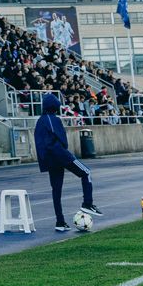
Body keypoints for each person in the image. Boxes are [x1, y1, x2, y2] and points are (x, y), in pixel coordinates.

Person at [34, 93, 99, 231]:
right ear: (54, 106)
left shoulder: (39, 121)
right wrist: (65, 152)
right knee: (86, 172)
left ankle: (60, 221)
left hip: (48, 158)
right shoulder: (53, 119)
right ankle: (88, 203)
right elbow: (62, 139)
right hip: (59, 154)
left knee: (56, 190)